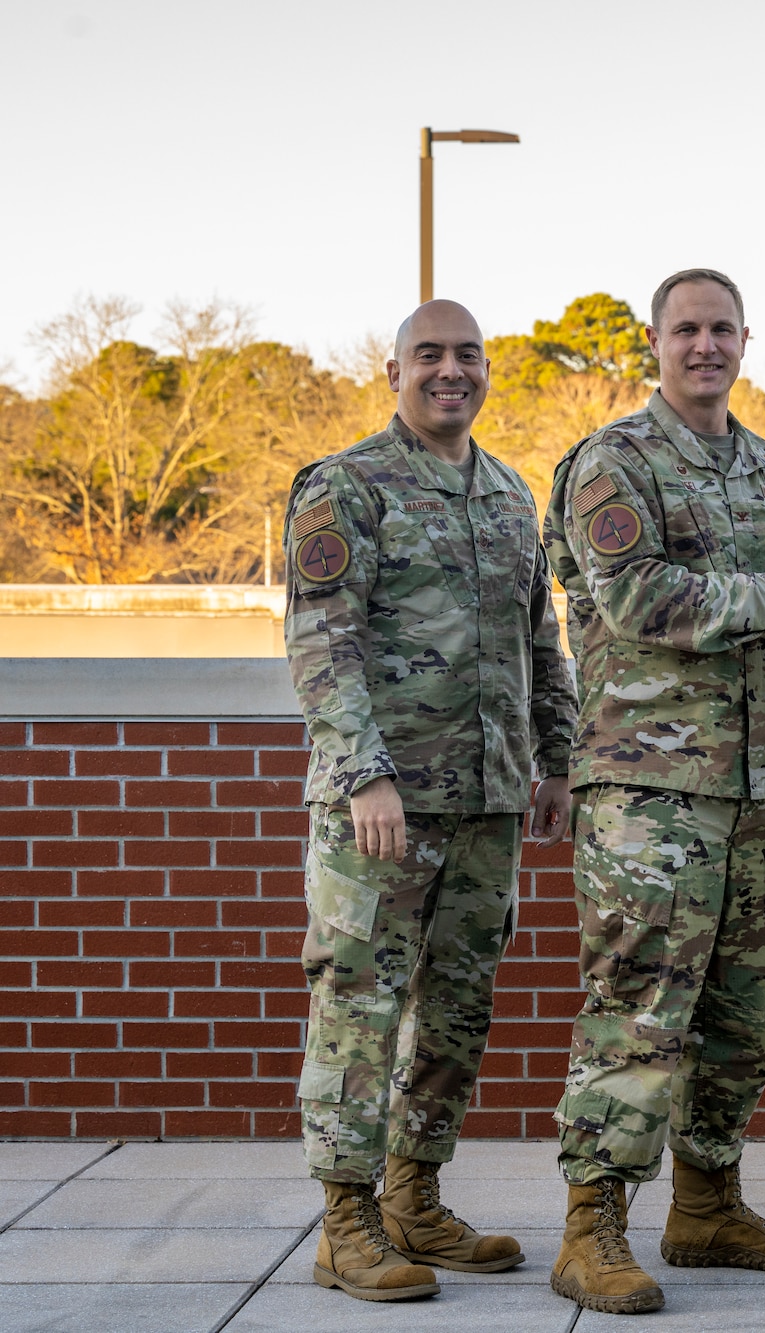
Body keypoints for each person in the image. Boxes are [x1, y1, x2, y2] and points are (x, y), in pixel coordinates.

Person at [542, 268, 765, 1315]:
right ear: (653, 342)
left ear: (745, 341)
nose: (705, 345)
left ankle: (706, 1204)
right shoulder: (613, 461)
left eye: (721, 329)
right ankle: (590, 1226)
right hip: (647, 788)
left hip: (749, 784)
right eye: (685, 329)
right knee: (638, 1007)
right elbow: (638, 597)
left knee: (741, 1013)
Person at [283, 299, 577, 1302]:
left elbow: (541, 640)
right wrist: (364, 773)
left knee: (456, 1011)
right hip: (384, 804)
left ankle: (413, 1196)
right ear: (395, 369)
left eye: (467, 355)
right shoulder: (346, 485)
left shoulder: (504, 492)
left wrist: (555, 758)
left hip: (487, 799)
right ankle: (344, 1222)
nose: (450, 371)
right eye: (430, 355)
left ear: (486, 369)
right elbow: (324, 642)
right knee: (359, 1008)